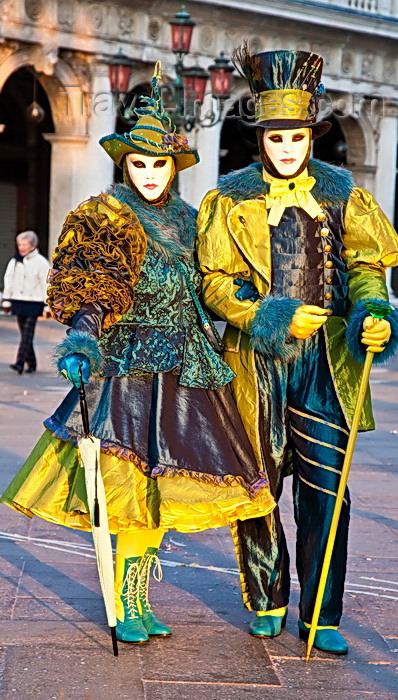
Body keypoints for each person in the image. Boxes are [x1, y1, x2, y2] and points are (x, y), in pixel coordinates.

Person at [1, 66, 275, 645]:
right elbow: (89, 290)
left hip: (188, 366)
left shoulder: (190, 220)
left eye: (160, 166)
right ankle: (127, 601)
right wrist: (81, 340)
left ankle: (140, 597)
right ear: (124, 163)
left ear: (173, 169)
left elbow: (212, 284)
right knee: (129, 490)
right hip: (126, 368)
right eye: (139, 164)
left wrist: (247, 300)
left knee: (162, 492)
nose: (149, 175)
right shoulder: (106, 216)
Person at [196, 46, 398, 655]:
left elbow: (368, 270)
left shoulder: (343, 195)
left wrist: (373, 314)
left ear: (311, 136)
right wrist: (268, 314)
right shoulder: (229, 199)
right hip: (257, 361)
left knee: (327, 492)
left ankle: (322, 613)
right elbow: (214, 284)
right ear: (261, 138)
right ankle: (267, 598)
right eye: (276, 138)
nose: (287, 149)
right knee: (258, 486)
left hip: (325, 367)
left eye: (297, 137)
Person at [2, 230, 50, 374]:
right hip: (18, 301)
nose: (21, 247)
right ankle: (33, 363)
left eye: (24, 244)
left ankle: (20, 363)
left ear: (32, 245)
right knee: (25, 334)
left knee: (27, 334)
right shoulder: (14, 261)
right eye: (19, 244)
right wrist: (6, 300)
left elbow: (46, 284)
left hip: (34, 302)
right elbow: (8, 280)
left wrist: (47, 305)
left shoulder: (41, 262)